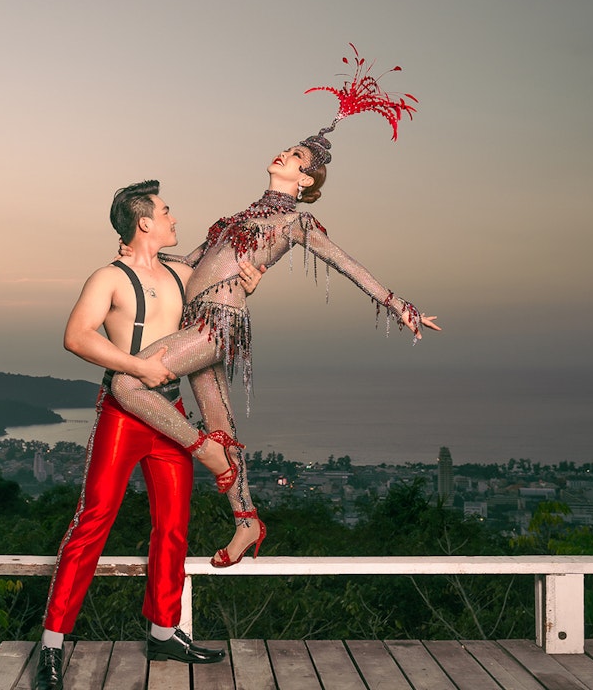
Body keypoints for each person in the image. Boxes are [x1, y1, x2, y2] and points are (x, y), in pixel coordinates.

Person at [109, 47, 441, 571]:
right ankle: (247, 520)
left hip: (217, 325)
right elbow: (193, 262)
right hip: (198, 320)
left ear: (305, 181)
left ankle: (203, 454)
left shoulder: (296, 224)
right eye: (288, 150)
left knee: (126, 384)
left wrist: (401, 306)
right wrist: (139, 249)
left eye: (295, 158)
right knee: (224, 426)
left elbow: (349, 265)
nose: (284, 155)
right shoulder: (239, 216)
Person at [33, 180, 264, 690]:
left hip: (172, 413)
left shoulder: (181, 271)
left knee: (173, 525)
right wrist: (135, 366)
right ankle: (51, 645)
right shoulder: (107, 278)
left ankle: (164, 631)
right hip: (122, 412)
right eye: (165, 210)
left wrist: (249, 277)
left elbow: (227, 270)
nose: (173, 217)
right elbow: (77, 336)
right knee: (92, 522)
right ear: (144, 223)